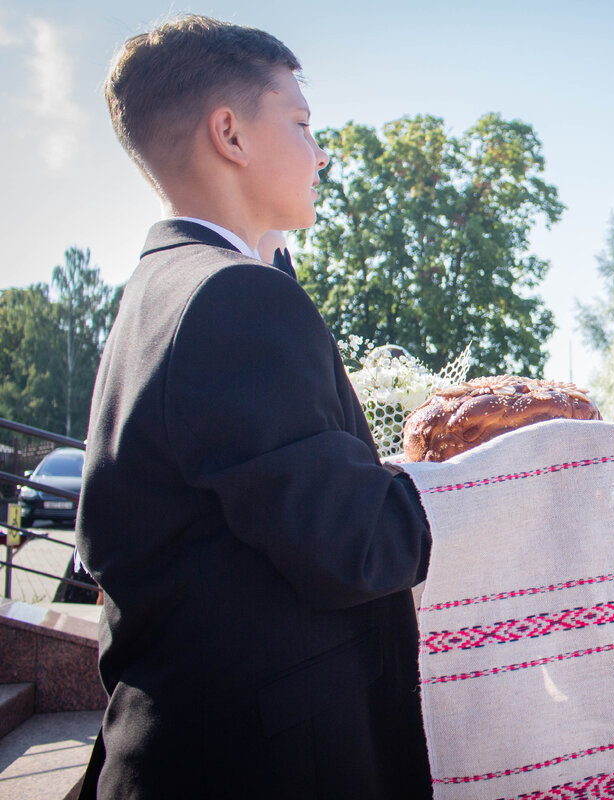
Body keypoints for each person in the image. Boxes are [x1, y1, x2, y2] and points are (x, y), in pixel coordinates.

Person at [77, 16, 433, 799]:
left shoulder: (160, 288)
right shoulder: (236, 297)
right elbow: (356, 545)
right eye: (302, 124)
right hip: (257, 764)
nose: (322, 151)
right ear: (230, 133)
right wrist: (477, 472)